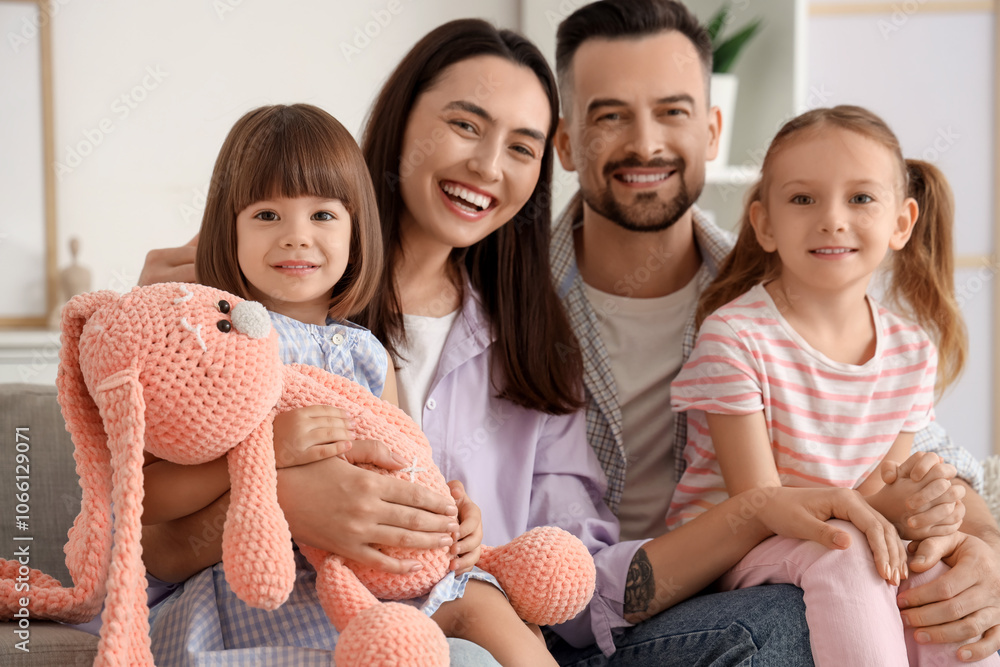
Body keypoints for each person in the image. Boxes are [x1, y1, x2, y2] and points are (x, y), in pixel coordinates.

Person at [546, 0, 1000, 664]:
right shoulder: (513, 311)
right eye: (610, 115)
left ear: (712, 130)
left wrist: (980, 551)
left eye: (672, 112)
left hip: (796, 565)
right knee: (809, 597)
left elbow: (923, 459)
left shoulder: (796, 284)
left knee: (921, 577)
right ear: (564, 142)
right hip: (615, 619)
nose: (646, 143)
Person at [140, 103, 520, 665]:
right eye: (266, 215)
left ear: (356, 228)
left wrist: (452, 514)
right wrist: (265, 453)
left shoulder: (370, 356)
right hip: (251, 594)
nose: (296, 237)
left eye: (323, 215)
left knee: (488, 609)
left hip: (358, 582)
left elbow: (406, 466)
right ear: (229, 228)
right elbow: (148, 500)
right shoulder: (209, 342)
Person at [666, 104, 998, 665]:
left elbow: (879, 485)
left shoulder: (912, 351)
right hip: (739, 552)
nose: (832, 219)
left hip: (844, 532)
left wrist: (920, 502)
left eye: (861, 198)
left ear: (902, 223)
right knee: (849, 554)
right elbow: (760, 504)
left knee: (934, 568)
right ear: (764, 224)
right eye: (802, 199)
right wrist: (885, 510)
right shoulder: (735, 337)